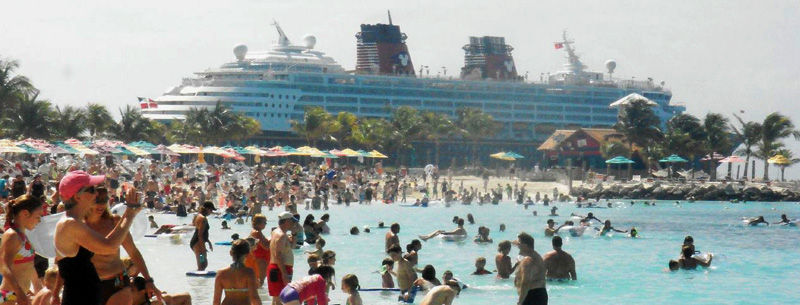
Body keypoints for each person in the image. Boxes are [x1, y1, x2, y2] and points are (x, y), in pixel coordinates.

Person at [54, 171, 141, 305]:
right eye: (91, 190)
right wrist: (129, 214)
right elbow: (109, 246)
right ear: (77, 197)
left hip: (84, 296)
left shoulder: (73, 222)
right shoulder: (70, 224)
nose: (96, 194)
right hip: (80, 298)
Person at [86, 187, 162, 305]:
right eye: (97, 199)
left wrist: (148, 280)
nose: (101, 204)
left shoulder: (114, 222)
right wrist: (56, 292)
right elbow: (64, 258)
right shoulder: (78, 225)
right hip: (88, 285)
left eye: (104, 199)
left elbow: (133, 252)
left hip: (117, 283)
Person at [0, 195, 45, 305]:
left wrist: (37, 285)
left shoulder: (22, 236)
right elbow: (4, 266)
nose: (39, 221)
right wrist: (20, 294)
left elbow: (28, 265)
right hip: (10, 295)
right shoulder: (12, 235)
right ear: (25, 213)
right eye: (38, 217)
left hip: (19, 294)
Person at [212, 239, 261, 305]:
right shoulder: (249, 273)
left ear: (231, 253)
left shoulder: (221, 273)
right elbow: (254, 297)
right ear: (247, 254)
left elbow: (216, 301)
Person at [269, 212, 297, 305]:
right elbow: (278, 254)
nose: (294, 224)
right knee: (280, 299)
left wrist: (294, 234)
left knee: (276, 298)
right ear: (287, 221)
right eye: (292, 221)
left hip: (278, 267)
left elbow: (292, 246)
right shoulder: (281, 236)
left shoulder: (277, 232)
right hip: (280, 268)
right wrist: (284, 273)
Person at [515, 232, 546, 305]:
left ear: (525, 246)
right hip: (539, 294)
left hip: (531, 295)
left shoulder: (528, 260)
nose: (517, 246)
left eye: (518, 244)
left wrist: (520, 301)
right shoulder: (536, 256)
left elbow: (526, 281)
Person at [190, 202, 216, 271]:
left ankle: (201, 281)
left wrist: (208, 241)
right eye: (211, 210)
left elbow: (203, 232)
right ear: (207, 209)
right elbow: (200, 234)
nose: (211, 212)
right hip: (197, 242)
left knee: (204, 264)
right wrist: (203, 248)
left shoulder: (198, 215)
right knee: (202, 264)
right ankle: (197, 280)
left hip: (198, 241)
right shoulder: (203, 219)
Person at [247, 214, 270, 286]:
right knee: (260, 281)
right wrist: (273, 237)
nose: (265, 224)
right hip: (261, 259)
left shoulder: (255, 232)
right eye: (264, 222)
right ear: (259, 223)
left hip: (260, 258)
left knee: (258, 280)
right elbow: (266, 246)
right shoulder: (257, 233)